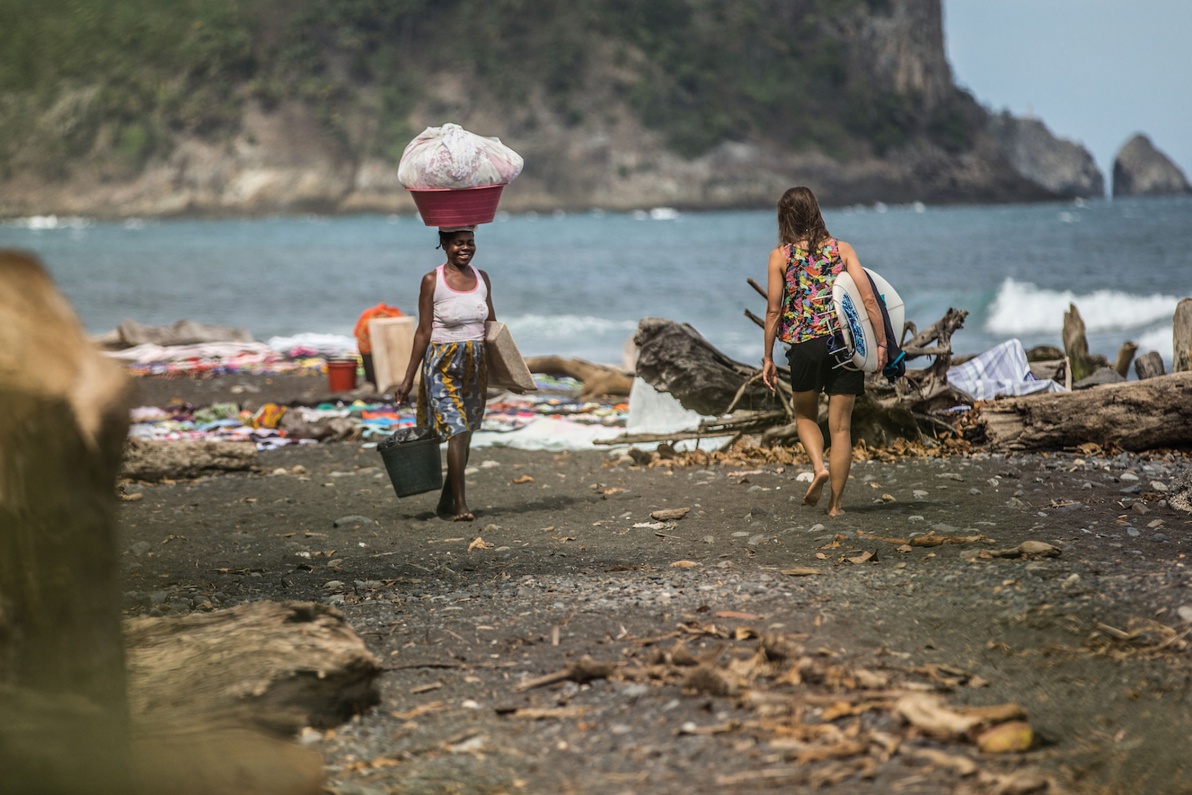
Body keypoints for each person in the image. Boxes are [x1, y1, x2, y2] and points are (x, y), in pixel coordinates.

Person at [761, 187, 887, 517]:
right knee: (841, 428)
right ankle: (835, 506)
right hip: (844, 343)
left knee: (804, 415)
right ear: (815, 212)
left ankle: (818, 466)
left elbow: (774, 311)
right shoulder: (841, 250)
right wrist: (882, 344)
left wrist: (767, 358)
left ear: (785, 217)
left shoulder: (781, 256)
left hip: (804, 345)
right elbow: (869, 299)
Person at [395, 225, 495, 522]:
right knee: (457, 429)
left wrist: (509, 373)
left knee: (466, 434)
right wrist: (407, 379)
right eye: (458, 243)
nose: (465, 248)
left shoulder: (482, 278)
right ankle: (460, 506)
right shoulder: (432, 280)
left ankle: (445, 502)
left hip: (475, 364)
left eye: (470, 242)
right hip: (442, 364)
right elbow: (423, 332)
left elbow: (492, 327)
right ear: (444, 245)